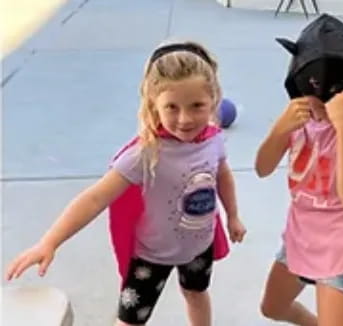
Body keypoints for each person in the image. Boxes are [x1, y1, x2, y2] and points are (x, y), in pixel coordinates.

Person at [5, 40, 247, 326]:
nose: (185, 119)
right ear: (153, 105)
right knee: (131, 319)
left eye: (197, 106)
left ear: (214, 100)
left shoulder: (214, 138)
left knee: (196, 293)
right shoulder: (145, 155)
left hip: (198, 246)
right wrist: (49, 242)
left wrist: (232, 216)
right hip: (152, 256)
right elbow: (94, 199)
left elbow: (222, 174)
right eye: (172, 107)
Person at [256, 14, 343, 326]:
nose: (322, 99)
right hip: (301, 237)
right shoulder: (299, 118)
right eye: (313, 86)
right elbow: (262, 168)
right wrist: (279, 130)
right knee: (271, 307)